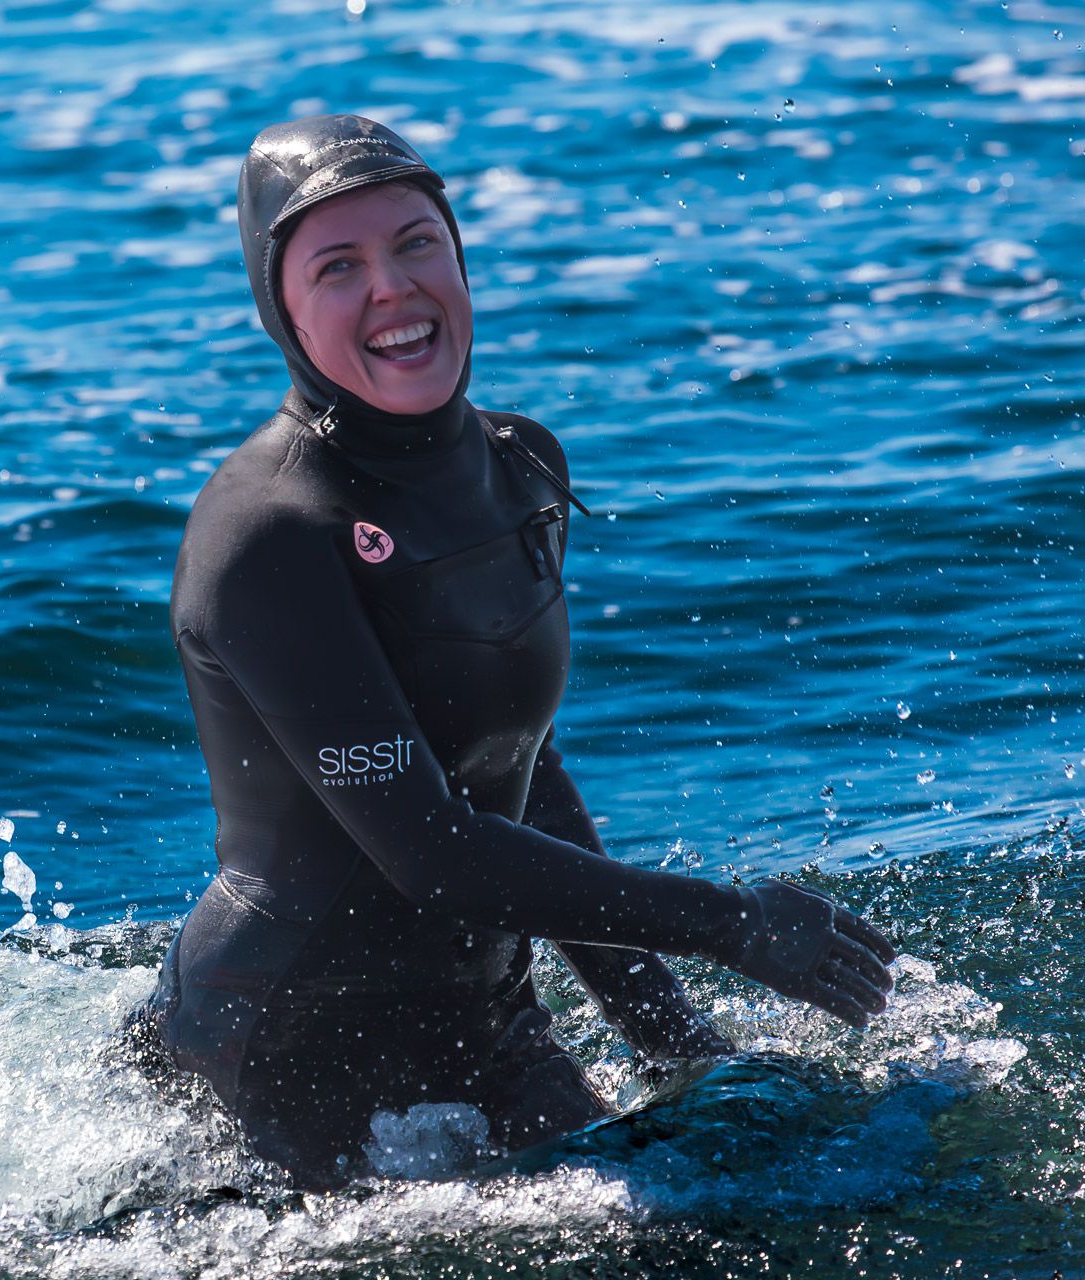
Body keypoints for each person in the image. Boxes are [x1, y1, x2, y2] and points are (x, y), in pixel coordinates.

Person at [143, 114, 898, 1187]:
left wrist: (669, 1035)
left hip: (483, 1016)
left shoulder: (520, 463)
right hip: (278, 1052)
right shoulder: (268, 534)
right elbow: (432, 852)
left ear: (458, 259)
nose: (392, 288)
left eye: (416, 243)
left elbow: (518, 763)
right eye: (338, 267)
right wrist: (735, 925)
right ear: (283, 310)